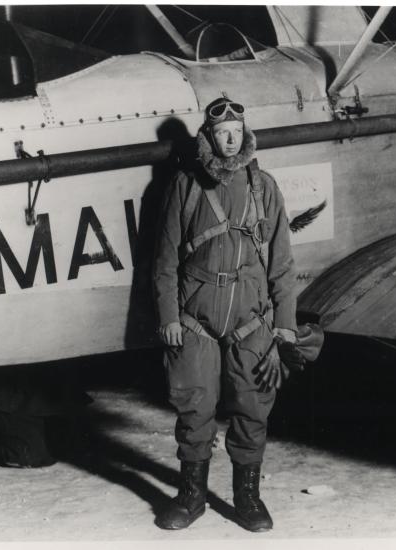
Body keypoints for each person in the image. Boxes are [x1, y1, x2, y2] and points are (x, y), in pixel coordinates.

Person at [153, 97, 319, 532]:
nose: (229, 139)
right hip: (195, 319)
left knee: (252, 406)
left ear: (245, 134)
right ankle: (191, 497)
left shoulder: (264, 187)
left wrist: (283, 330)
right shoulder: (185, 186)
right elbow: (165, 258)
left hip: (252, 318)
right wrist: (169, 316)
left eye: (236, 131)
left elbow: (282, 264)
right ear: (207, 136)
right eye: (220, 132)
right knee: (194, 408)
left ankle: (247, 496)